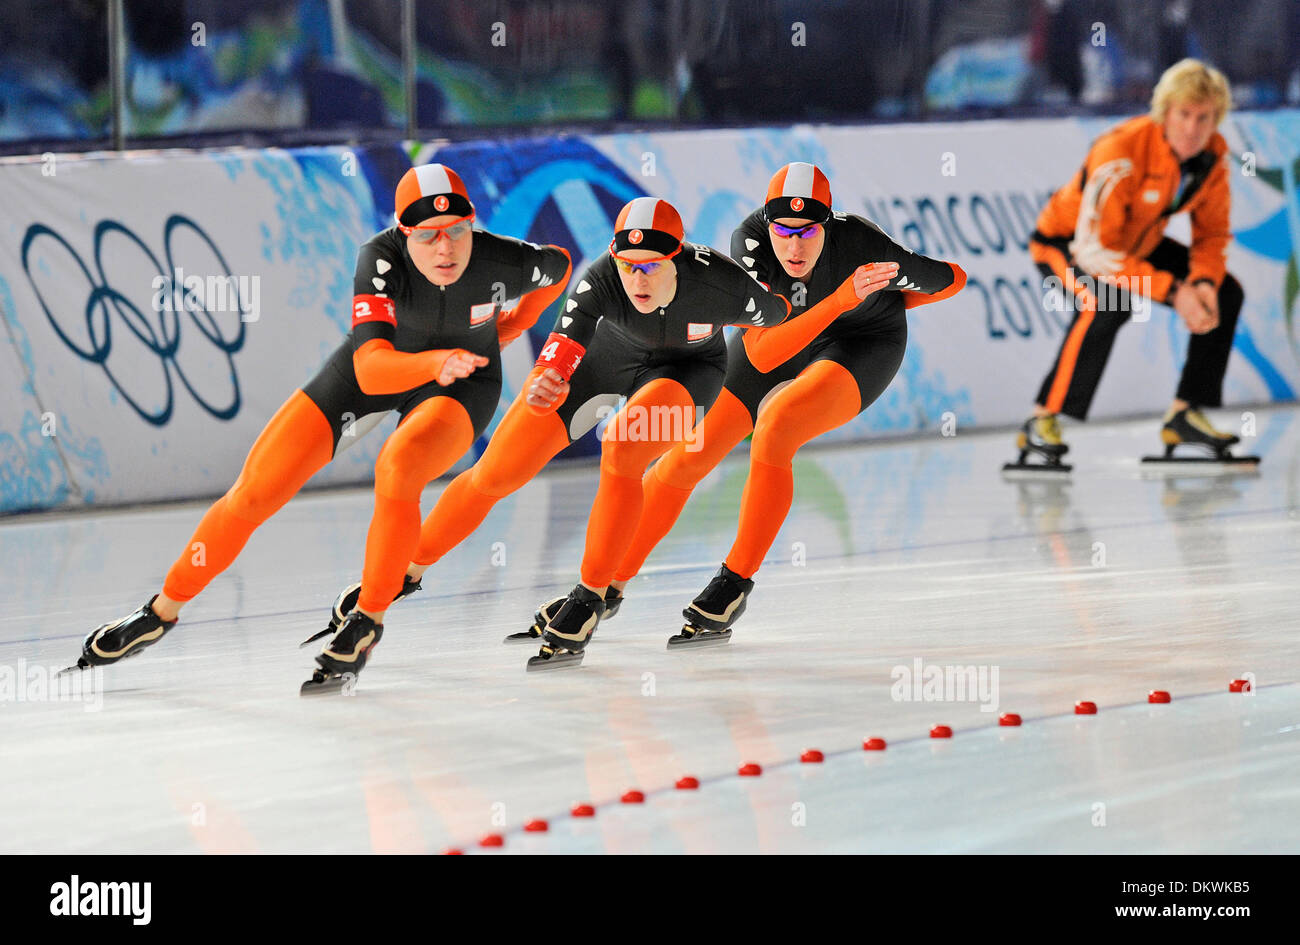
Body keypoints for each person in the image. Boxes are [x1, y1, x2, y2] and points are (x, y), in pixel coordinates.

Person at [326, 196, 879, 670]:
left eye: (651, 266)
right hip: (605, 360)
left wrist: (839, 318)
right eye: (627, 265)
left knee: (622, 449)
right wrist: (546, 378)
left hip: (686, 374)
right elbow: (562, 345)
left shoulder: (723, 286)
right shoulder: (600, 280)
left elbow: (781, 317)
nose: (637, 278)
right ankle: (409, 568)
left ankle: (592, 594)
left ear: (678, 260)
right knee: (497, 469)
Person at [70, 164, 571, 677]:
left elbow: (559, 266)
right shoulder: (381, 260)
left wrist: (520, 321)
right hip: (379, 369)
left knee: (399, 470)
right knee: (255, 491)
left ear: (473, 225)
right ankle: (160, 611)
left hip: (462, 385)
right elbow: (371, 370)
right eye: (427, 236)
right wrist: (433, 362)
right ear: (404, 234)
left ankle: (368, 618)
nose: (445, 249)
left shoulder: (501, 259)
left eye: (457, 232)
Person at [576, 162, 966, 645]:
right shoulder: (751, 243)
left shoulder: (864, 246)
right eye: (784, 230)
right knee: (691, 453)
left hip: (862, 343)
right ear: (768, 223)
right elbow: (761, 353)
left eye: (807, 232)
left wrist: (891, 298)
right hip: (785, 339)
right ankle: (607, 584)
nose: (794, 246)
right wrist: (840, 299)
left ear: (828, 223)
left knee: (777, 425)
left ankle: (733, 583)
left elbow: (952, 279)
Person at [1010, 58, 1244, 472]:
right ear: (1165, 114)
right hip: (1069, 243)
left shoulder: (1213, 157)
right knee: (1107, 303)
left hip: (1139, 242)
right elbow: (1096, 251)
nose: (1193, 128)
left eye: (1204, 118)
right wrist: (1174, 291)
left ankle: (1185, 414)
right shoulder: (1119, 151)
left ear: (1216, 120)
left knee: (1226, 291)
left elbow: (1211, 234)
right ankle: (1040, 420)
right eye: (1184, 115)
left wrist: (1203, 282)